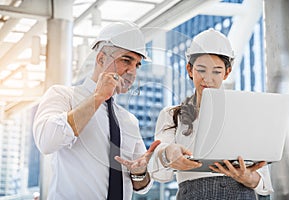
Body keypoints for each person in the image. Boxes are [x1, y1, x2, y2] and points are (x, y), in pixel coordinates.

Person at [33, 21, 160, 200]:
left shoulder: (129, 121)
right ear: (101, 59)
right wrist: (98, 97)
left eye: (137, 65)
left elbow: (141, 186)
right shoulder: (63, 95)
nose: (132, 71)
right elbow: (47, 141)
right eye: (126, 60)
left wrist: (139, 173)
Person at [149, 28, 273, 199]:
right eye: (201, 70)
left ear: (227, 72)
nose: (208, 78)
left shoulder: (245, 112)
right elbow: (159, 173)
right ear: (189, 69)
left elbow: (264, 185)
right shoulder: (172, 115)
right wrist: (168, 153)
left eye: (216, 71)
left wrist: (248, 178)